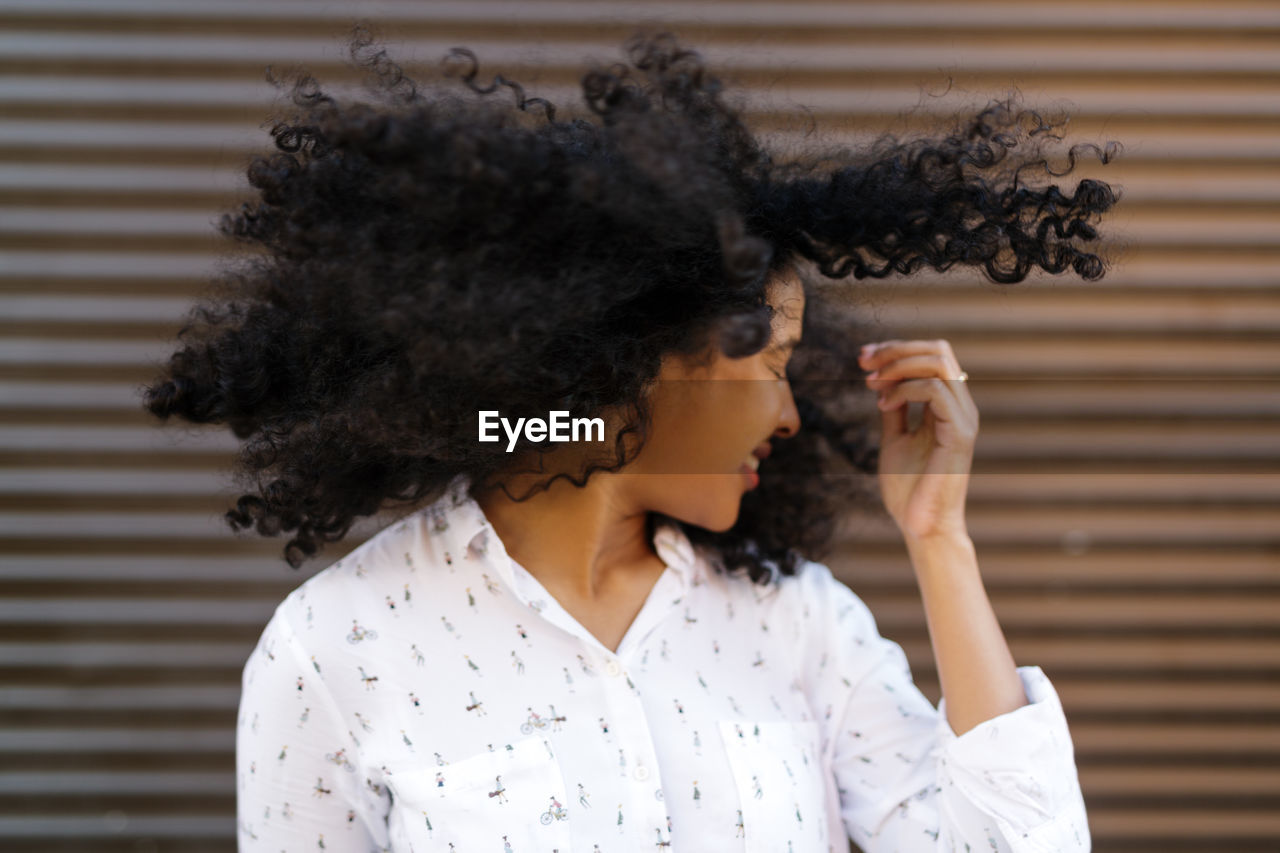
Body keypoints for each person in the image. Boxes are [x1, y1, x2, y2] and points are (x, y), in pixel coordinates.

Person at [142, 22, 1119, 852]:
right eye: (771, 363)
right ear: (635, 366)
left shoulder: (797, 624)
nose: (790, 413)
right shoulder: (336, 647)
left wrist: (938, 539)